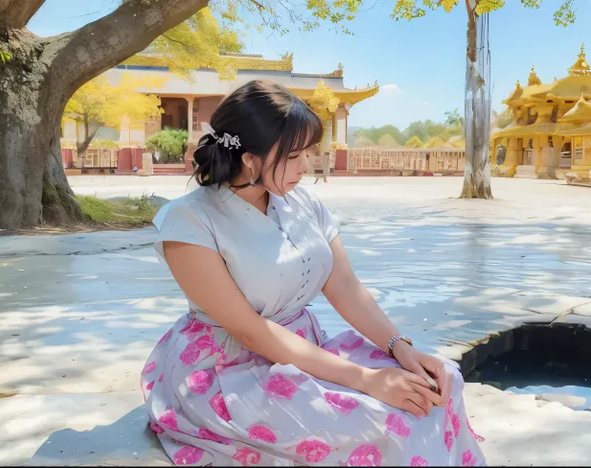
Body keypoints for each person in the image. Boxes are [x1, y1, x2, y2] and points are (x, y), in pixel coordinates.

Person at [141, 80, 486, 466]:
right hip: (230, 367)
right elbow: (250, 330)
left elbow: (344, 286)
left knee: (439, 383)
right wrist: (366, 379)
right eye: (294, 155)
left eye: (309, 153)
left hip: (308, 347)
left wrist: (402, 349)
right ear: (249, 157)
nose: (307, 167)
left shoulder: (303, 202)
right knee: (384, 419)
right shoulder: (190, 220)